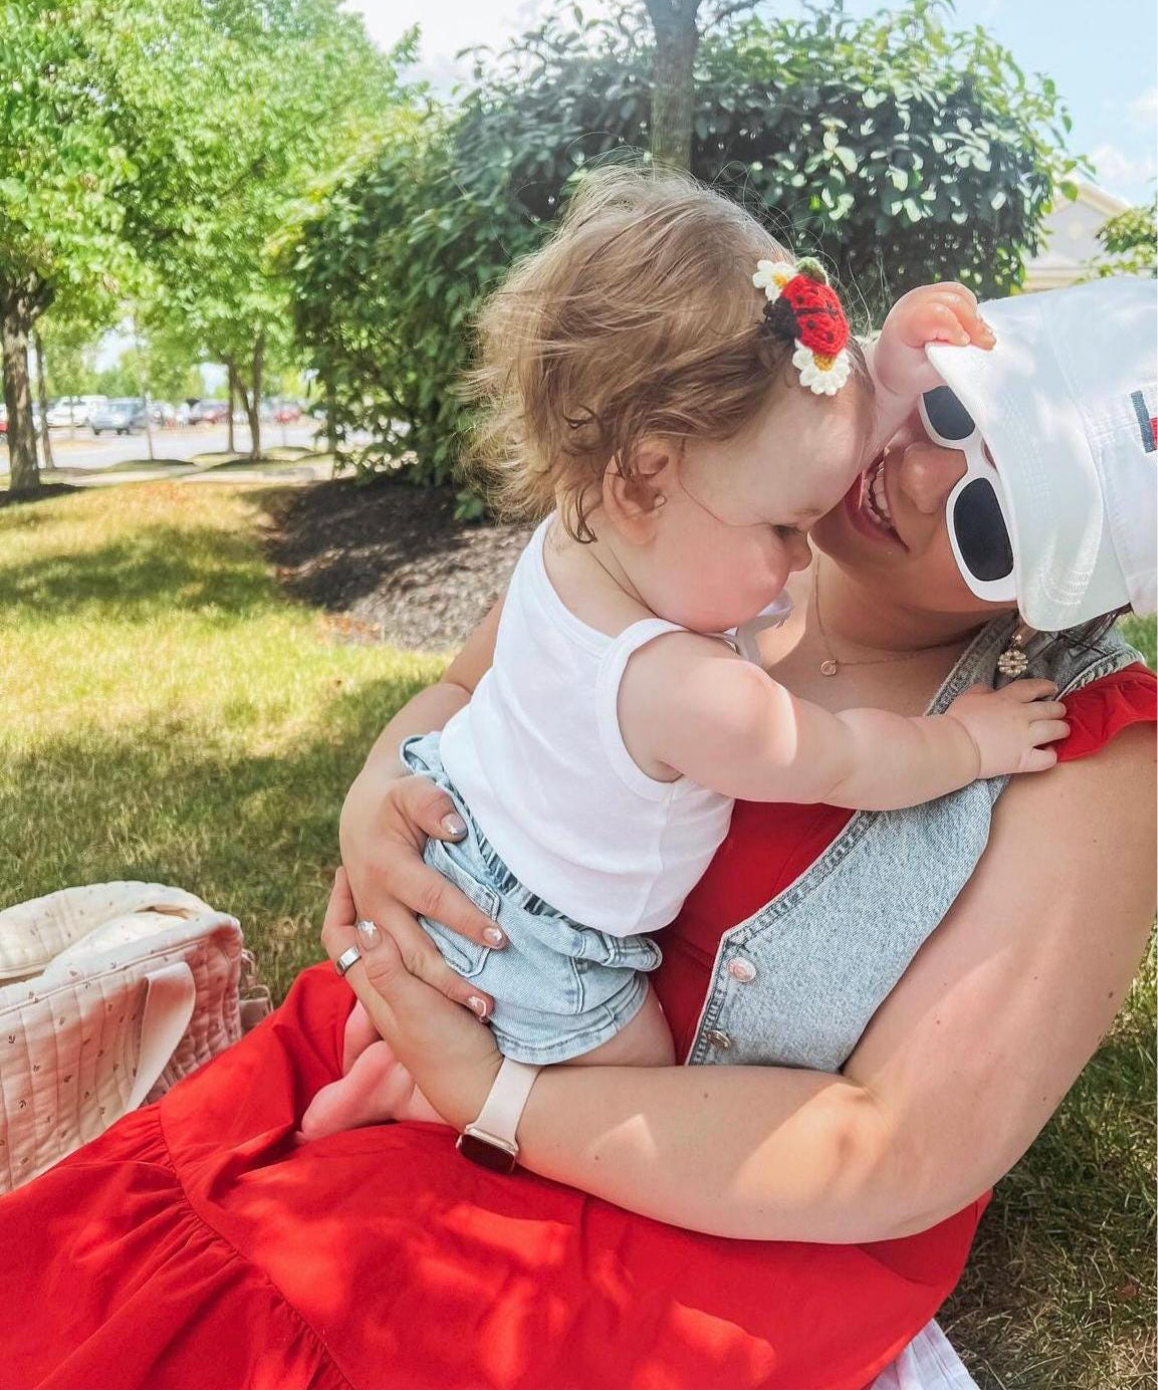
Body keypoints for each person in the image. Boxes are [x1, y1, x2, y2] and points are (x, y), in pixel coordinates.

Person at [2, 270, 1157, 1390]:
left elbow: (899, 1152)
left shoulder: (1085, 749)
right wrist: (378, 805)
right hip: (442, 1023)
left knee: (313, 1295)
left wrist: (495, 1100)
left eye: (993, 519)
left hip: (699, 1203)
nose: (916, 476)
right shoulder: (694, 507)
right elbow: (467, 690)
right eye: (956, 411)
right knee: (122, 1265)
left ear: (1062, 601)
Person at [302, 173, 1065, 1139]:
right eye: (785, 528)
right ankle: (410, 1092)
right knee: (635, 1079)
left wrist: (895, 380)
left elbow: (789, 448)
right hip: (542, 939)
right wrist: (967, 743)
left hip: (454, 815)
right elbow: (850, 760)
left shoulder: (575, 538)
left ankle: (385, 1040)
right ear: (645, 479)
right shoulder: (689, 690)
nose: (800, 558)